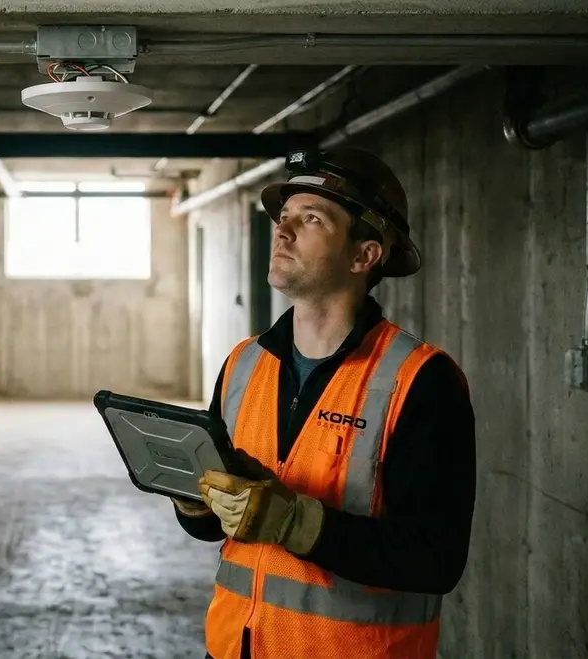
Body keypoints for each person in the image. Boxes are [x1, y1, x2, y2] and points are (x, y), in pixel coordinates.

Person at [173, 147, 476, 659]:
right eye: (284, 217)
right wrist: (196, 501)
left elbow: (433, 561)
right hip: (233, 647)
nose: (283, 231)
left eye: (311, 219)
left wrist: (294, 522)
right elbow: (211, 530)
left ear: (364, 256)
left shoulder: (421, 381)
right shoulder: (244, 364)